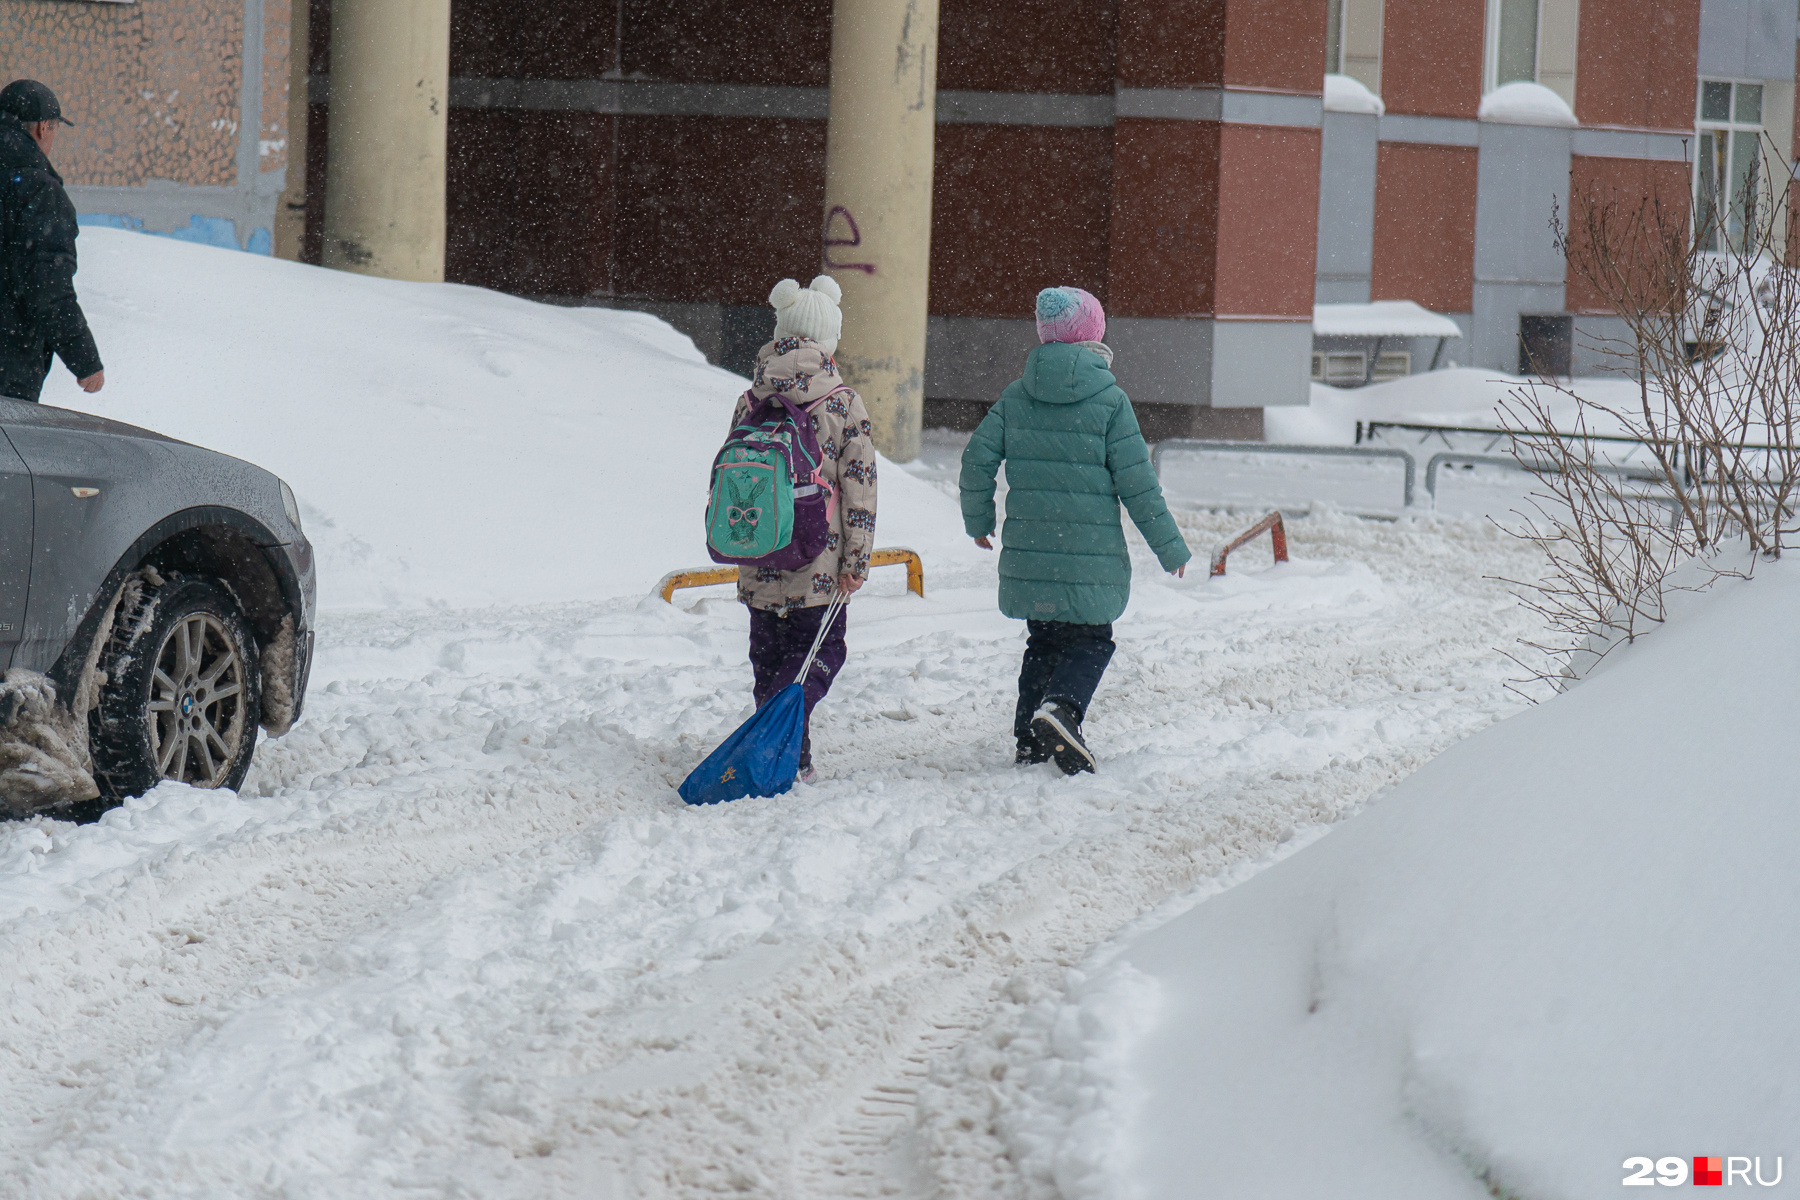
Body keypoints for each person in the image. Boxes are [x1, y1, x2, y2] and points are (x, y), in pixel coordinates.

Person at [959, 286, 1191, 775]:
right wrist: (1169, 547)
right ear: (1094, 337)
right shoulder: (1109, 400)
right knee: (1091, 639)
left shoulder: (1016, 395)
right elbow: (1139, 484)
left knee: (1042, 639)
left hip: (1031, 555)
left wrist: (978, 521)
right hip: (1089, 555)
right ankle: (1062, 709)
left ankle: (1029, 739)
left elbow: (977, 459)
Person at [733, 274, 877, 783]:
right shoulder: (840, 403)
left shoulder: (751, 398)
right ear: (830, 340)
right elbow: (859, 489)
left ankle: (788, 754)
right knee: (819, 652)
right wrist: (856, 561)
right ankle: (784, 737)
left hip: (759, 550)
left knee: (767, 655)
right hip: (819, 560)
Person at [0, 79, 103, 404]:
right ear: (44, 128)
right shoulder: (37, 192)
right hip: (8, 365)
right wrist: (85, 361)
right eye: (55, 128)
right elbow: (47, 286)